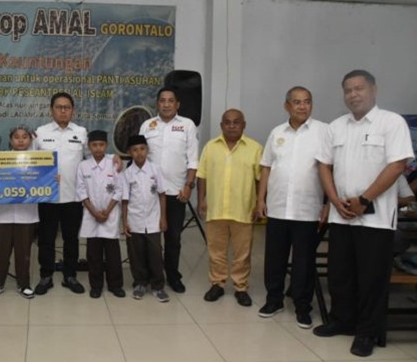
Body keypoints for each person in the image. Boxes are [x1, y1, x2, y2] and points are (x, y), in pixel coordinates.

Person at [313, 70, 413, 357]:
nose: (353, 95)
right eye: (348, 90)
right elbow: (324, 166)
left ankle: (367, 332)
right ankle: (342, 321)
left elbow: (397, 165)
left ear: (374, 89)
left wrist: (364, 199)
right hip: (341, 214)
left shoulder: (391, 123)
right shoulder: (336, 126)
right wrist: (333, 199)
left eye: (359, 88)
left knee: (372, 277)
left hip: (376, 217)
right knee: (340, 273)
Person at [255, 87, 328, 329]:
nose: (303, 106)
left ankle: (302, 307)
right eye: (297, 102)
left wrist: (328, 203)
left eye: (307, 102)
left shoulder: (323, 132)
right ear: (287, 106)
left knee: (303, 261)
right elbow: (266, 166)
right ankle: (273, 300)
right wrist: (260, 199)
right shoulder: (277, 133)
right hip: (277, 207)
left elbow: (331, 170)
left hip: (308, 209)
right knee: (274, 259)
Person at [197, 109, 262, 307]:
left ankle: (240, 287)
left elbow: (260, 179)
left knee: (242, 253)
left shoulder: (255, 148)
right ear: (221, 125)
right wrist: (201, 200)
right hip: (216, 208)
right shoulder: (210, 147)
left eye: (236, 122)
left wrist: (259, 203)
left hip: (243, 209)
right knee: (216, 251)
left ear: (244, 125)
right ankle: (217, 283)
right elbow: (202, 176)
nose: (231, 126)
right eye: (227, 122)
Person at [139, 87, 198, 293]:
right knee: (148, 235)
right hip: (150, 192)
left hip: (176, 192)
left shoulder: (187, 125)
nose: (166, 104)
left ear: (177, 104)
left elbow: (193, 159)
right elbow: (139, 155)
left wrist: (189, 186)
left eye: (170, 100)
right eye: (162, 100)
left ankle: (172, 275)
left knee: (173, 237)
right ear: (157, 104)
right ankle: (147, 275)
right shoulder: (148, 125)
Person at [34, 92, 87, 295]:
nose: (63, 110)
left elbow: (92, 158)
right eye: (59, 107)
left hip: (73, 197)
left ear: (73, 110)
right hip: (47, 196)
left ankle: (70, 275)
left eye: (67, 107)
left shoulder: (81, 132)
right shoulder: (40, 133)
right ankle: (46, 275)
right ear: (51, 110)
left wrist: (114, 159)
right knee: (46, 239)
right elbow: (28, 162)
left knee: (71, 238)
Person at [0, 125, 38, 300]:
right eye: (16, 137)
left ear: (30, 140)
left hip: (27, 213)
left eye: (25, 137)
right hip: (3, 213)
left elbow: (45, 183)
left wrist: (53, 179)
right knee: (0, 250)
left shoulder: (38, 161)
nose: (21, 140)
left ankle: (24, 284)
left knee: (24, 252)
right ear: (10, 140)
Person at [76, 130, 124, 299]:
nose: (98, 148)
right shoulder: (83, 166)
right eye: (94, 145)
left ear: (106, 146)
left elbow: (119, 190)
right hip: (91, 215)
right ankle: (96, 285)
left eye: (101, 145)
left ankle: (115, 285)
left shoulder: (114, 163)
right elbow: (81, 192)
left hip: (110, 215)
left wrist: (107, 211)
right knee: (93, 253)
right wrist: (94, 212)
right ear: (89, 146)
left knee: (113, 254)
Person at [121, 135, 169, 302]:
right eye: (135, 150)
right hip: (134, 221)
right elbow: (125, 201)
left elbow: (162, 195)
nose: (139, 153)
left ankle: (158, 285)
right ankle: (139, 282)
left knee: (155, 253)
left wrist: (163, 218)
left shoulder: (155, 170)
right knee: (136, 253)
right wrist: (124, 222)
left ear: (147, 150)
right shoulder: (127, 174)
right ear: (129, 153)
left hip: (154, 220)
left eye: (142, 149)